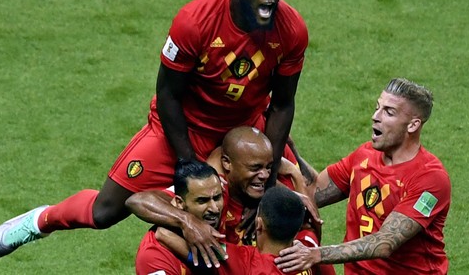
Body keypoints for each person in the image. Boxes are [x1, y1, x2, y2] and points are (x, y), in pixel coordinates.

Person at [0, 0, 308, 261]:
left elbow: (282, 104)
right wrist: (188, 165)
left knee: (285, 208)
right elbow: (168, 95)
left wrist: (268, 175)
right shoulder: (195, 21)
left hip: (244, 135)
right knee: (105, 211)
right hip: (183, 126)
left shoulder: (291, 29)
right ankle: (41, 221)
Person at [275, 78, 452, 274]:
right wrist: (290, 155)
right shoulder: (364, 155)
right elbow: (313, 193)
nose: (375, 116)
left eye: (389, 112)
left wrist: (315, 254)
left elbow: (385, 242)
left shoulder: (430, 178)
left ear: (412, 125)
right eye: (377, 107)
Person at [127, 126, 333, 274]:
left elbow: (219, 258)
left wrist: (174, 231)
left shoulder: (253, 264)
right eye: (255, 168)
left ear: (259, 225)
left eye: (269, 168)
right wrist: (296, 181)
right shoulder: (309, 250)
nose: (215, 207)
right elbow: (139, 201)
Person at [158, 186, 313, 275]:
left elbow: (163, 234)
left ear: (258, 224)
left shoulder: (243, 262)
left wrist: (187, 222)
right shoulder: (311, 253)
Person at [134, 159, 224, 275]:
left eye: (217, 198)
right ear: (179, 203)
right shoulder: (154, 257)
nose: (215, 208)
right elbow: (136, 200)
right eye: (202, 201)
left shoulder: (212, 190)